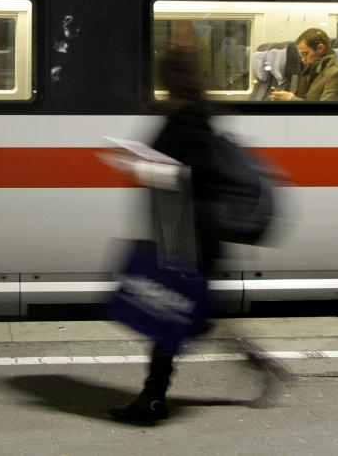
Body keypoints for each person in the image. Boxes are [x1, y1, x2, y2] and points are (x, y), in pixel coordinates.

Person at [104, 47, 224, 421]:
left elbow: (197, 175)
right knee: (179, 317)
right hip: (182, 234)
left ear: (171, 79)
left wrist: (145, 168)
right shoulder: (191, 114)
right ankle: (154, 396)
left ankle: (152, 400)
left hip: (186, 237)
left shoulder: (189, 118)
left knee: (171, 320)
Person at [269, 28, 338, 102]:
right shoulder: (310, 70)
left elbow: (327, 113)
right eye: (301, 56)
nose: (303, 60)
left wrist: (291, 99)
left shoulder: (337, 74)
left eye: (305, 54)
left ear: (320, 48)